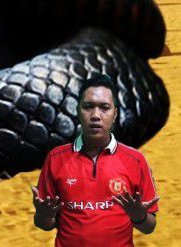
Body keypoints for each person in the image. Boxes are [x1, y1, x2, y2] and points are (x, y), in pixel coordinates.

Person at [31, 74, 160, 246]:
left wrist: (139, 216)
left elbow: (149, 227)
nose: (95, 115)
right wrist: (44, 215)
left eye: (104, 107)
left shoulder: (135, 160)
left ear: (115, 114)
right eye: (88, 107)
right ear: (77, 111)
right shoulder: (55, 158)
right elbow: (44, 224)